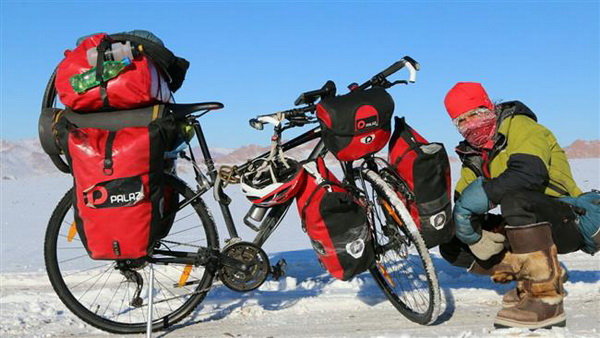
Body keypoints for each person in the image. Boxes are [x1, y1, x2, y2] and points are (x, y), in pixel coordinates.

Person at [439, 82, 599, 329]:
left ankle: (545, 298)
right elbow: (464, 201)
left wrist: (481, 197)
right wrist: (463, 227)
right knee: (451, 242)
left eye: (475, 113)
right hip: (525, 224)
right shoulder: (474, 154)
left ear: (489, 106)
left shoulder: (521, 126)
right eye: (461, 120)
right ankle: (533, 276)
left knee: (516, 199)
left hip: (567, 218)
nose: (470, 123)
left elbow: (529, 175)